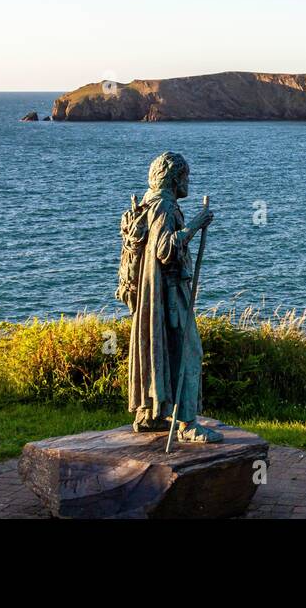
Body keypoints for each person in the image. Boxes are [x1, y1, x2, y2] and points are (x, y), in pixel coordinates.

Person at [121, 151, 222, 443]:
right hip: (169, 295)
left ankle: (151, 413)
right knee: (189, 352)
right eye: (186, 176)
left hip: (151, 298)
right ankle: (188, 423)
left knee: (160, 350)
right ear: (174, 178)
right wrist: (195, 224)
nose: (188, 182)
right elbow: (165, 250)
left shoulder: (147, 204)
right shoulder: (165, 207)